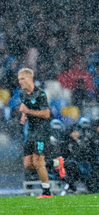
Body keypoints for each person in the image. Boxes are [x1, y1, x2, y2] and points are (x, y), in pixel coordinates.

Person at [18, 68, 65, 198]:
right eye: (19, 79)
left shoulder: (40, 94)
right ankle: (56, 163)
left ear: (29, 79)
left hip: (42, 130)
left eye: (22, 79)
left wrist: (28, 111)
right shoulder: (22, 93)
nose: (20, 82)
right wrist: (24, 115)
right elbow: (25, 106)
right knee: (28, 164)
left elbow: (46, 114)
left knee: (38, 161)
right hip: (31, 130)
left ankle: (46, 192)